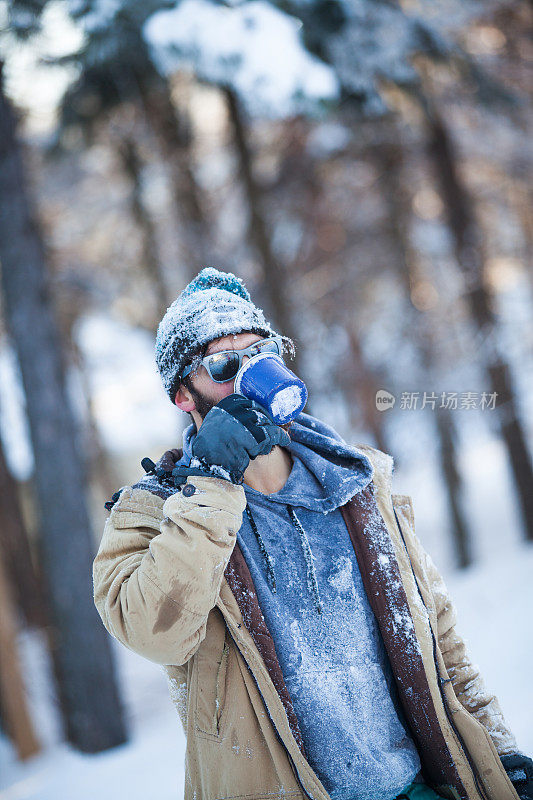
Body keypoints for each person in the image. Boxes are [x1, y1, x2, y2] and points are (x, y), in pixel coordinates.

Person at [93, 267, 532, 800]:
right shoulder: (153, 514)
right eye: (225, 365)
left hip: (418, 788)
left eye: (261, 354)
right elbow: (154, 633)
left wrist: (498, 753)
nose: (249, 377)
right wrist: (212, 485)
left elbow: (442, 644)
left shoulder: (358, 483)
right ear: (184, 396)